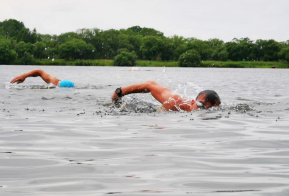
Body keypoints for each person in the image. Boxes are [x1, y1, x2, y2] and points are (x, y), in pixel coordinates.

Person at [111, 81, 221, 111]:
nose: (205, 111)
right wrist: (120, 92)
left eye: (210, 109)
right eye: (201, 106)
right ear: (193, 102)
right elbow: (150, 85)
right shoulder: (174, 102)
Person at [10, 69, 75, 87]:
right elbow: (39, 72)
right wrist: (24, 75)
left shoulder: (54, 83)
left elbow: (40, 72)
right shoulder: (54, 81)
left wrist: (25, 75)